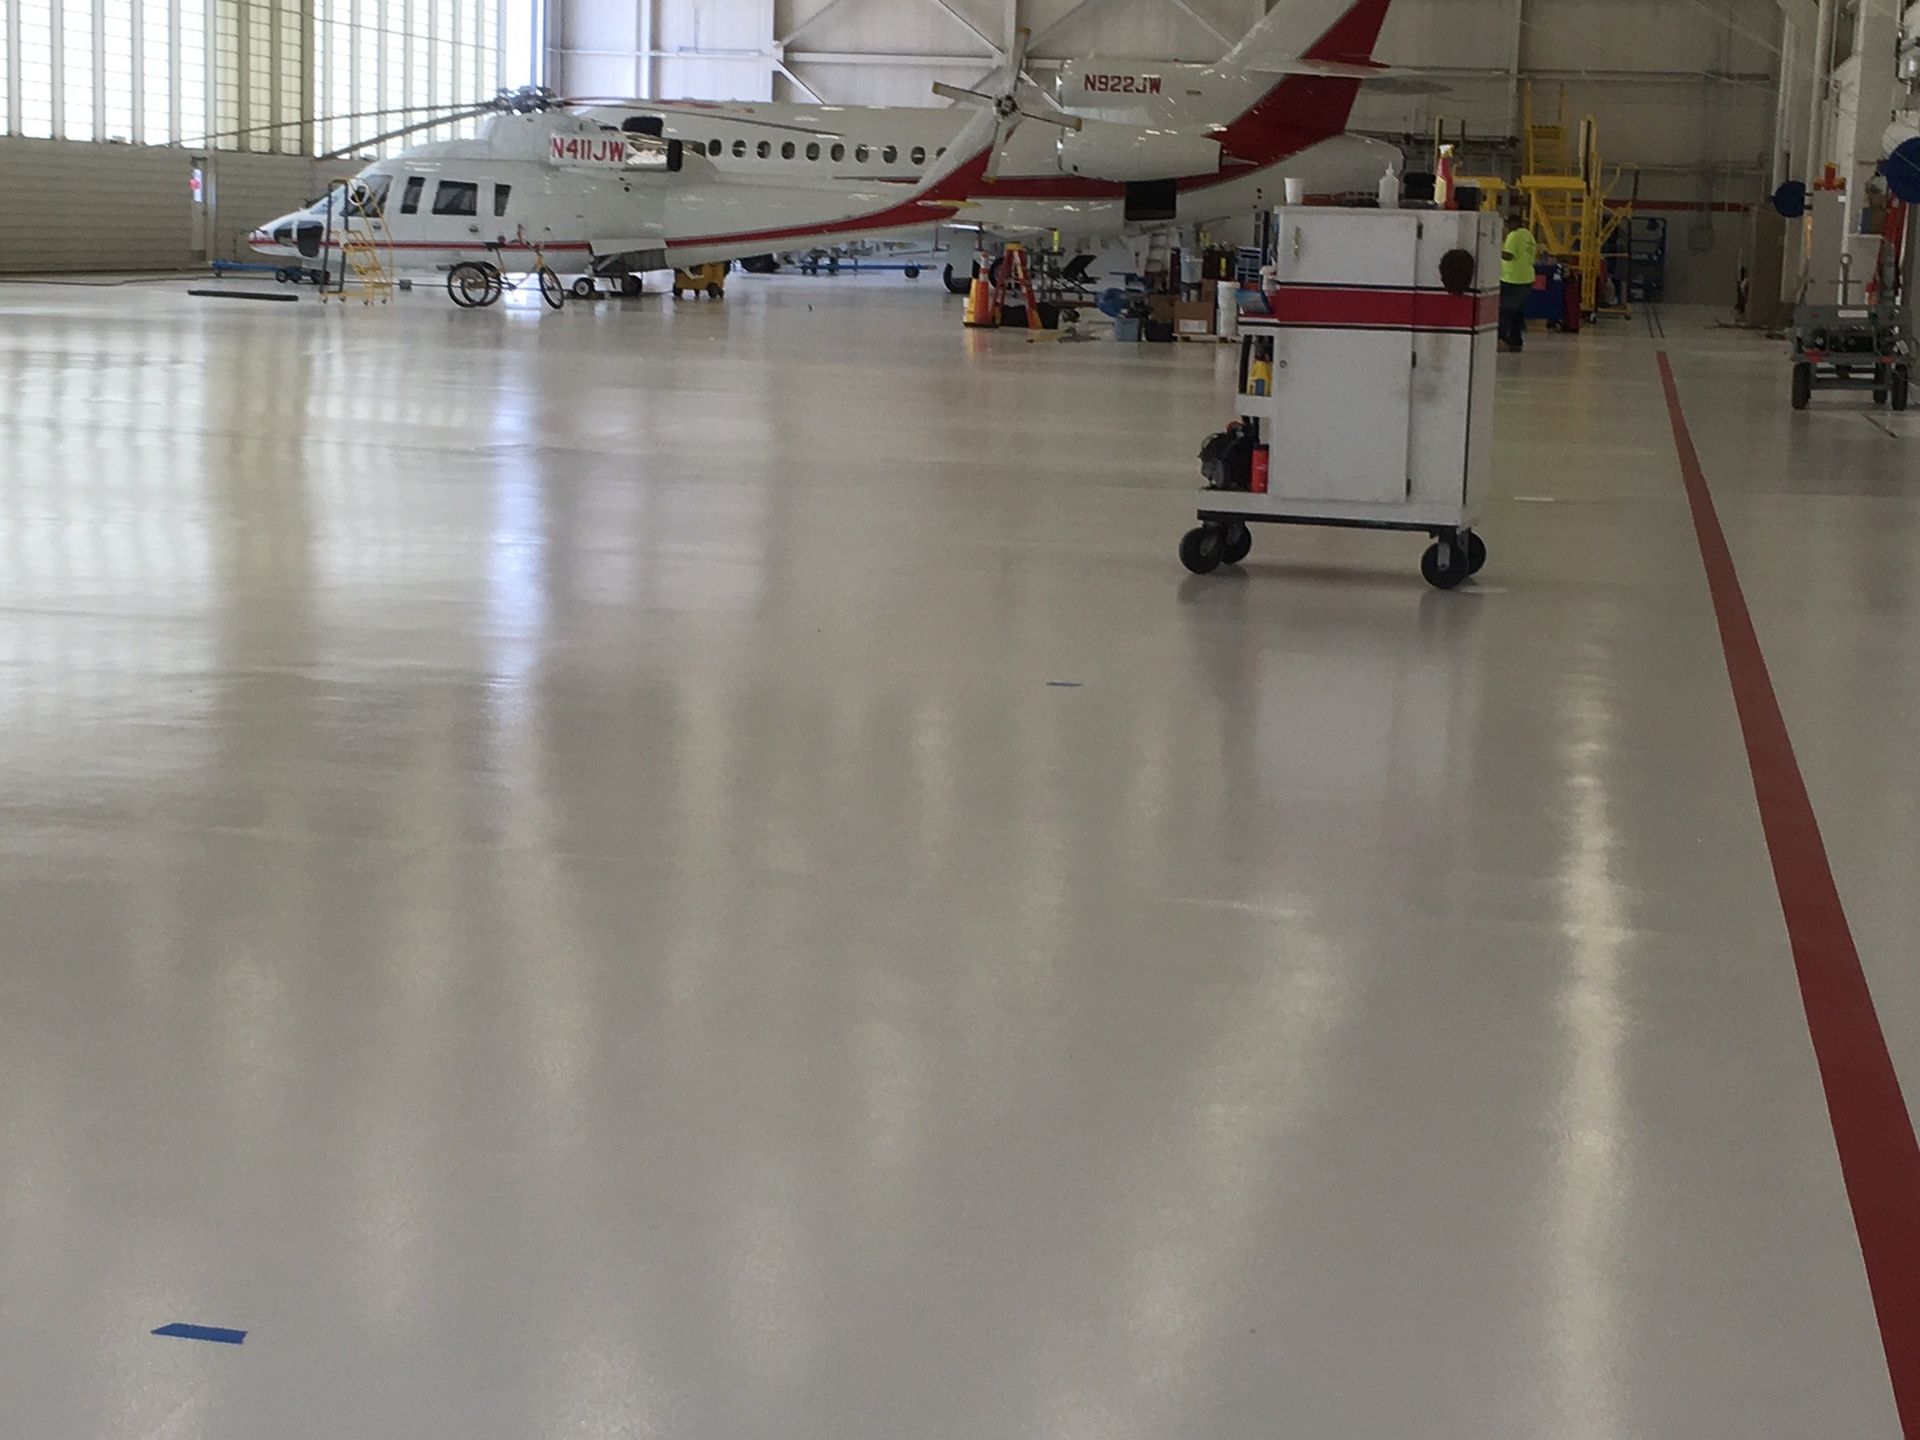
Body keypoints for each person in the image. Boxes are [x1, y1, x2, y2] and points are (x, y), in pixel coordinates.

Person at [1499, 212, 1537, 353]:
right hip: (1526, 279)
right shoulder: (1529, 235)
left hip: (1512, 279)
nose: (1507, 227)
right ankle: (1516, 341)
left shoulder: (1514, 235)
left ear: (1513, 223)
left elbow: (1508, 256)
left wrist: (1494, 249)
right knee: (1518, 313)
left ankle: (1503, 341)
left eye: (1508, 224)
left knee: (1506, 312)